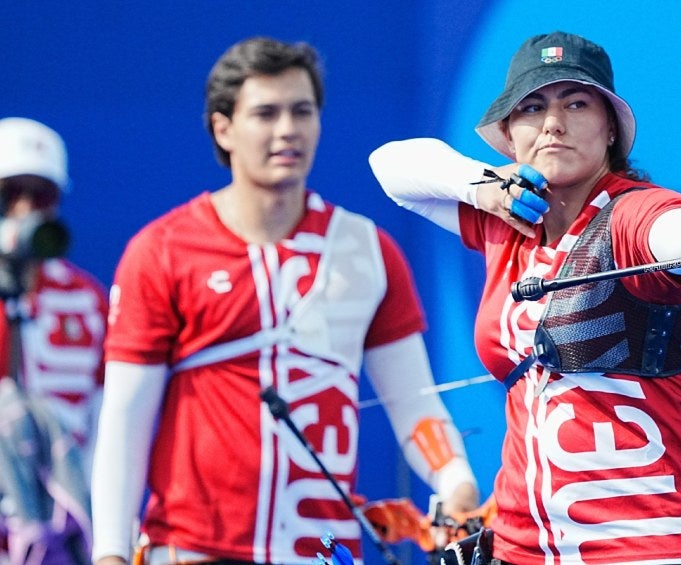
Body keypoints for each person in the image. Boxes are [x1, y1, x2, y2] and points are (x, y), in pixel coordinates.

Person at [369, 31, 681, 564]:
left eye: (576, 103)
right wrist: (484, 186)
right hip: (525, 546)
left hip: (650, 538)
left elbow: (676, 235)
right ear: (510, 134)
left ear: (610, 130)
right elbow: (390, 166)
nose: (553, 122)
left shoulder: (633, 213)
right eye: (532, 107)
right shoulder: (503, 220)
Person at [90, 37, 478, 565]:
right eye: (265, 114)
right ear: (223, 128)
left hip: (322, 551)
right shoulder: (161, 251)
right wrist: (110, 553)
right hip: (193, 550)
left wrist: (455, 481)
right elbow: (124, 420)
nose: (288, 130)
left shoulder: (367, 250)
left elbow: (414, 403)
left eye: (302, 111)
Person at [0, 117, 106, 565]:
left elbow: (105, 418)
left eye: (40, 195)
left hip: (66, 521)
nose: (26, 209)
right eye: (9, 193)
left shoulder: (87, 298)